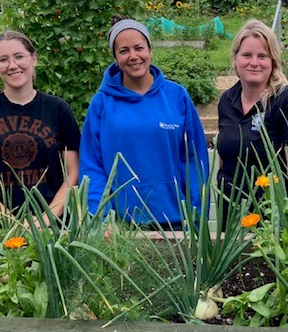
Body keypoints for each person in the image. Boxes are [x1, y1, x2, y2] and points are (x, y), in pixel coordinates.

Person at [79, 17, 209, 227]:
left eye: (139, 48)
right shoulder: (101, 103)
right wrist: (101, 218)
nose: (133, 56)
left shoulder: (177, 97)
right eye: (124, 51)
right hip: (120, 229)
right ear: (115, 57)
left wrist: (196, 216)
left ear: (150, 50)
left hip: (175, 223)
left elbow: (195, 160)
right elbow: (92, 165)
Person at [0, 30, 80, 224]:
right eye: (3, 60)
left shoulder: (57, 109)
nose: (12, 65)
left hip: (53, 229)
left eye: (19, 56)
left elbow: (74, 173)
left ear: (33, 59)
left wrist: (46, 219)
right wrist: (9, 220)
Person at [217, 18, 288, 207]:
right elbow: (224, 160)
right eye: (247, 55)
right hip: (230, 212)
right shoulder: (227, 100)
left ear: (273, 61)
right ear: (235, 58)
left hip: (272, 215)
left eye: (262, 56)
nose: (254, 62)